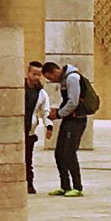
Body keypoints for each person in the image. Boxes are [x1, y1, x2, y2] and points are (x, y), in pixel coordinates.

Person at [42, 61, 86, 197]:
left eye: (50, 78)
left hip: (76, 120)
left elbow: (73, 102)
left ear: (54, 72)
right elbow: (67, 101)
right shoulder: (65, 80)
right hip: (69, 119)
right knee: (59, 153)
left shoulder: (72, 78)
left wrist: (59, 114)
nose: (52, 81)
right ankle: (65, 186)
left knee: (69, 153)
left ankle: (77, 187)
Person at [24, 60, 52, 195]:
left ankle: (29, 183)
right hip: (16, 130)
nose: (36, 77)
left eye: (39, 74)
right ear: (28, 73)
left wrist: (49, 126)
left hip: (29, 131)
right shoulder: (18, 89)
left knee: (28, 159)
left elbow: (45, 111)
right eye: (34, 74)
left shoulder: (41, 93)